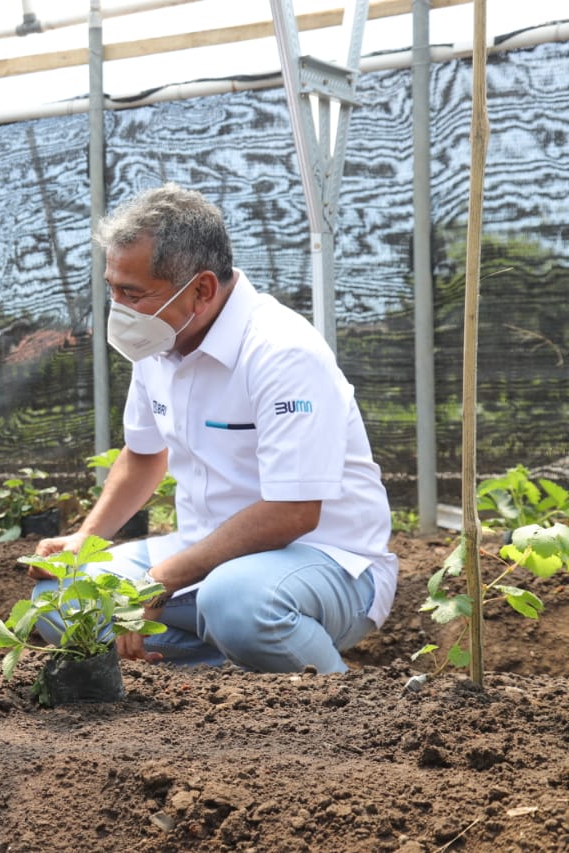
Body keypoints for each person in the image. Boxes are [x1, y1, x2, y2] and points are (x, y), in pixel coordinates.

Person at [32, 183, 398, 674]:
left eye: (132, 293)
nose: (116, 309)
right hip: (205, 553)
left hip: (328, 560)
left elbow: (294, 512)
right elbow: (143, 455)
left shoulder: (281, 351)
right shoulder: (158, 342)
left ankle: (343, 708)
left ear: (201, 289)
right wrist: (87, 537)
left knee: (238, 604)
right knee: (62, 599)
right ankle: (230, 677)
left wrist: (161, 580)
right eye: (112, 289)